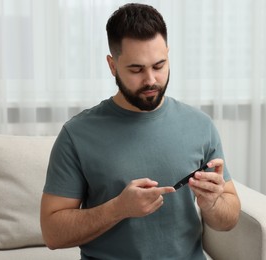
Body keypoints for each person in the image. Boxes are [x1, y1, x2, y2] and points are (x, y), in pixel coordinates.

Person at [40, 3, 241, 260]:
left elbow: (230, 218)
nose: (151, 80)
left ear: (168, 54)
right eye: (136, 69)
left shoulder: (200, 125)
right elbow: (52, 234)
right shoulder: (76, 134)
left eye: (159, 65)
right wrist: (118, 209)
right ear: (112, 66)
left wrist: (213, 204)